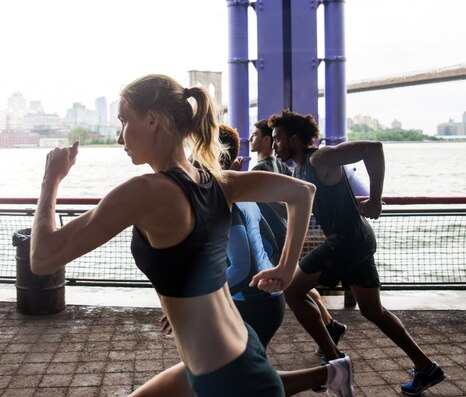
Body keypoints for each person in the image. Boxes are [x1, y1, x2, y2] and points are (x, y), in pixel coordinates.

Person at [30, 74, 346, 397]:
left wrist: (50, 179)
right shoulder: (217, 182)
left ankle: (334, 373)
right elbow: (302, 193)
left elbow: (43, 258)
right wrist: (284, 270)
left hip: (225, 378)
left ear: (152, 120)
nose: (119, 137)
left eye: (124, 121)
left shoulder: (145, 193)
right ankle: (334, 373)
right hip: (236, 350)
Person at [129, 123, 354, 397]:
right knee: (237, 379)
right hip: (264, 300)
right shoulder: (241, 193)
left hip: (253, 302)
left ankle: (333, 372)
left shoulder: (220, 200)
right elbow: (268, 239)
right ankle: (333, 372)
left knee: (234, 380)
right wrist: (277, 268)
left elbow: (242, 266)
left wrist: (194, 304)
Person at [269, 109, 446, 396]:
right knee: (372, 310)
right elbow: (293, 211)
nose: (275, 145)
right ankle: (427, 368)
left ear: (294, 138)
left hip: (347, 241)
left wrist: (375, 200)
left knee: (292, 291)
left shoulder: (319, 157)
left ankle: (334, 362)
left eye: (277, 139)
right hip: (356, 241)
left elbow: (373, 149)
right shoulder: (299, 169)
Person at [250, 119, 348, 358]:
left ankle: (331, 342)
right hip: (286, 231)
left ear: (266, 140)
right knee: (296, 282)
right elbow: (291, 205)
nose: (251, 139)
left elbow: (282, 205)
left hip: (272, 235)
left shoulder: (261, 170)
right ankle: (331, 325)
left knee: (290, 287)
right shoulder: (284, 167)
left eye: (255, 136)